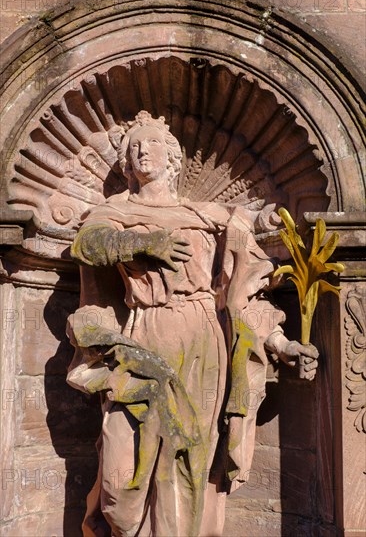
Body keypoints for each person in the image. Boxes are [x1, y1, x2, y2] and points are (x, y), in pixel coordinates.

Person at [67, 111, 318, 537]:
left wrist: (281, 342)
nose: (142, 150)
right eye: (133, 146)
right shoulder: (112, 212)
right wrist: (145, 242)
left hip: (203, 338)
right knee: (118, 480)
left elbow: (241, 296)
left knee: (188, 459)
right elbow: (88, 245)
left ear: (173, 159)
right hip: (143, 336)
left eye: (152, 143)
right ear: (126, 163)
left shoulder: (208, 217)